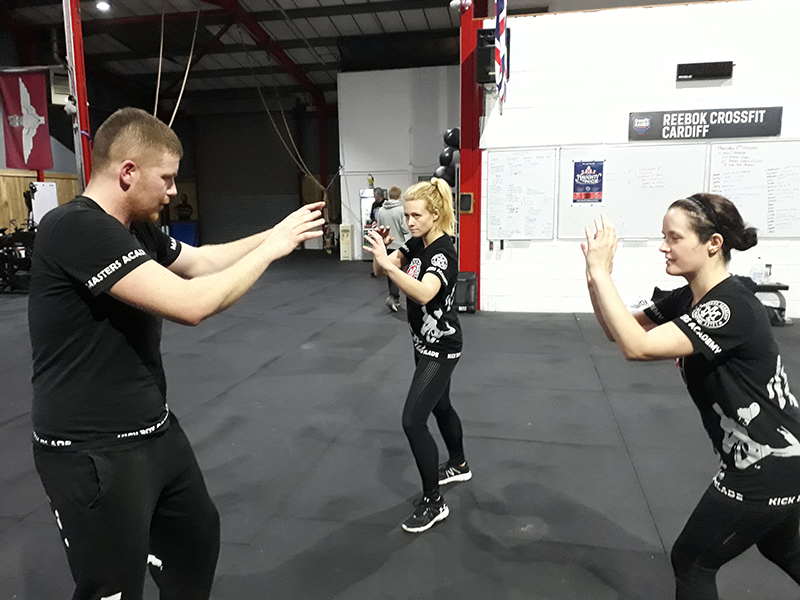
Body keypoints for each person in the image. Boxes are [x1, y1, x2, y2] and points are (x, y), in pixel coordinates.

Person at [27, 107, 324, 600]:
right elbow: (191, 304)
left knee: (195, 542)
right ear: (127, 172)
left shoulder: (135, 228)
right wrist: (272, 251)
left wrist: (275, 234)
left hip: (155, 431)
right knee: (112, 587)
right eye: (165, 179)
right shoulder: (75, 228)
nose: (171, 191)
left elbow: (202, 261)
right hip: (90, 450)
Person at [582, 193, 800, 600]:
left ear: (713, 244)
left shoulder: (727, 307)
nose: (664, 246)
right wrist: (596, 276)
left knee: (692, 561)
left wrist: (601, 271)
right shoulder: (689, 298)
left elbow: (638, 348)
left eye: (674, 237)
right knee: (781, 546)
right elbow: (620, 330)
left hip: (764, 464)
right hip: (782, 462)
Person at [364, 178, 471, 533]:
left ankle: (434, 501)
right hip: (421, 342)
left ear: (435, 214)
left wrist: (391, 267)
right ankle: (458, 463)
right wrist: (382, 250)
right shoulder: (415, 242)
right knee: (441, 406)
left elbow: (425, 293)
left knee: (413, 420)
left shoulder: (443, 251)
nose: (408, 221)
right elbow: (383, 269)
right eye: (406, 215)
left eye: (415, 215)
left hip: (440, 347)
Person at [376, 185, 410, 312]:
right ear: (400, 196)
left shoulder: (381, 210)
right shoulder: (401, 210)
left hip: (386, 245)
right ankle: (395, 298)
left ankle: (393, 296)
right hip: (399, 245)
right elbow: (405, 229)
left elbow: (379, 227)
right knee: (400, 273)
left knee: (390, 272)